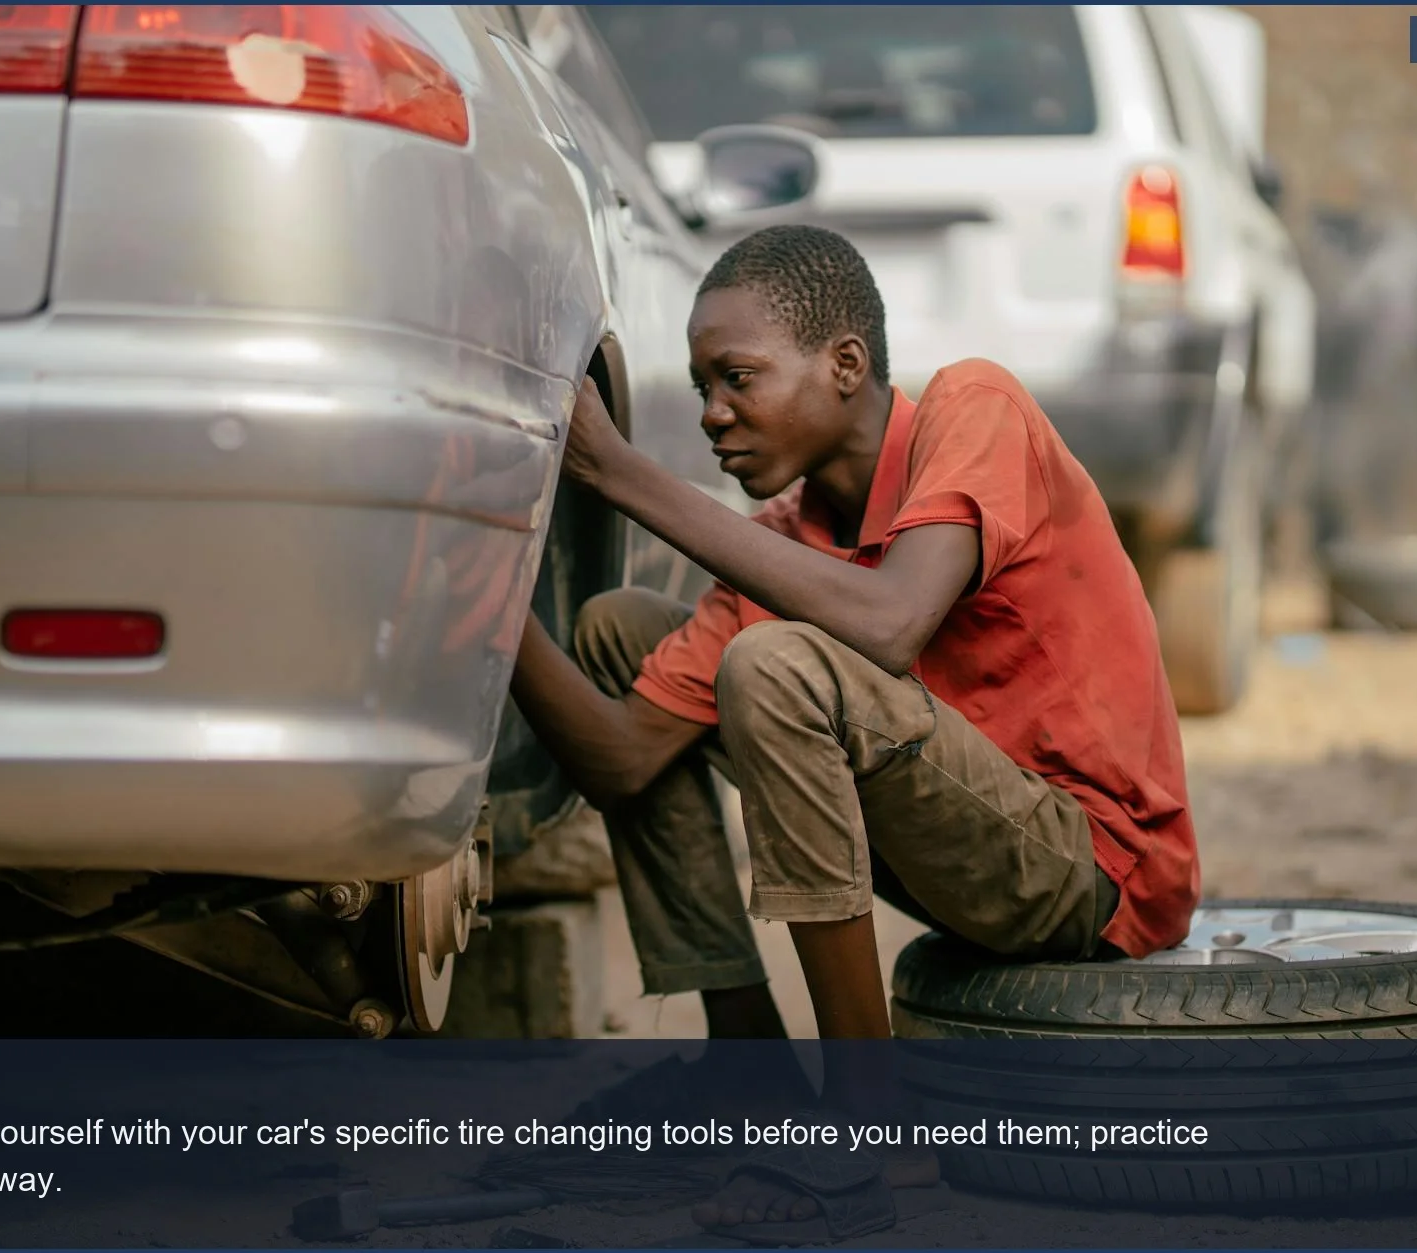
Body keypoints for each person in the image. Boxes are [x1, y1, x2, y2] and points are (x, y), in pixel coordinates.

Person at [508, 225, 1199, 1240]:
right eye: (701, 386)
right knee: (621, 631)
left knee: (777, 663)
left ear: (844, 365)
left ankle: (864, 1123)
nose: (711, 415)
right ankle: (745, 1067)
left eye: (736, 377)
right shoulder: (787, 542)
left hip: (1091, 867)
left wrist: (619, 472)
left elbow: (889, 619)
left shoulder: (974, 409)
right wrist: (489, 608)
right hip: (960, 855)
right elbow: (622, 756)